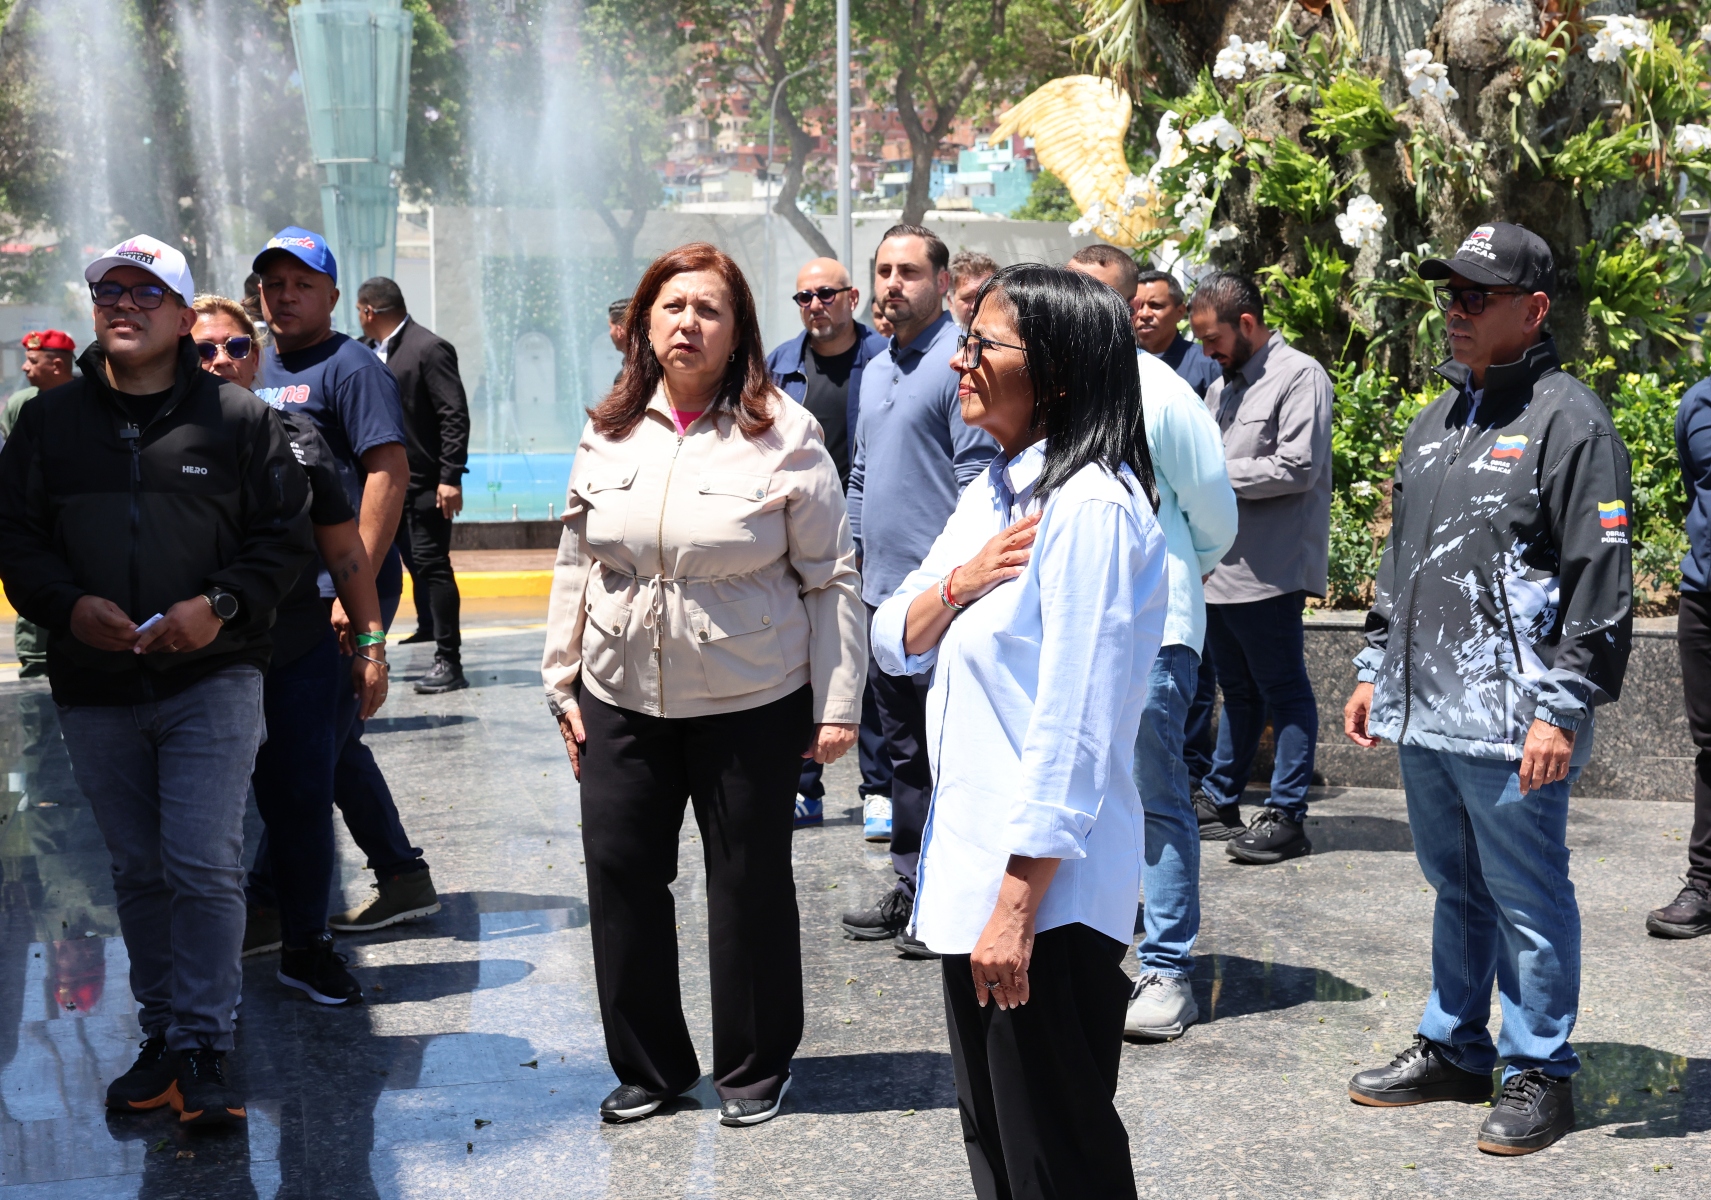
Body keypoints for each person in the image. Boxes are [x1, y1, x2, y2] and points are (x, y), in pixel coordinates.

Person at [542, 242, 865, 1128]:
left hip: (749, 697)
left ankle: (755, 1065)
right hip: (619, 694)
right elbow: (576, 558)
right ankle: (649, 1065)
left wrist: (837, 704)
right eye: (672, 306)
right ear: (645, 323)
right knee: (619, 874)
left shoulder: (784, 432)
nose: (687, 323)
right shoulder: (608, 424)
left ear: (737, 331)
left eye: (708, 309)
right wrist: (561, 681)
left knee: (747, 883)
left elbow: (831, 576)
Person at [0, 235, 314, 1126]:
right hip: (95, 681)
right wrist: (68, 608)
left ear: (181, 316)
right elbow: (16, 538)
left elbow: (283, 538)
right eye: (110, 292)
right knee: (138, 868)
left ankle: (207, 1043)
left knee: (203, 862)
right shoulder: (48, 423)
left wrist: (218, 605)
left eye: (146, 293)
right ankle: (164, 1035)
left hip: (213, 672)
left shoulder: (238, 418)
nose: (124, 306)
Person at [871, 264, 1167, 1199]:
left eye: (982, 345)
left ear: (1058, 376)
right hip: (978, 884)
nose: (957, 362)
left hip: (1044, 900)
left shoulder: (1089, 509)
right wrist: (957, 585)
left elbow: (1074, 726)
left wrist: (1014, 907)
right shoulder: (995, 495)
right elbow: (892, 638)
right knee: (999, 1149)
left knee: (1056, 1160)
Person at [1342, 222, 1633, 1156]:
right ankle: (1454, 1045)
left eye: (1476, 297)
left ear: (1532, 310)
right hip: (1428, 710)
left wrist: (1561, 707)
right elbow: (1400, 560)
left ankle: (1538, 1067)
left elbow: (1599, 577)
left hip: (1516, 720)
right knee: (1454, 887)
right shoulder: (1435, 421)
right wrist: (1371, 667)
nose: (1454, 312)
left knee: (1525, 893)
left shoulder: (1569, 422)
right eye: (1449, 295)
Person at [193, 295, 388, 1004]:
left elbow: (345, 550)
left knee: (303, 801)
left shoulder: (298, 437)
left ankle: (306, 945)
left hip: (297, 651)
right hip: (199, 658)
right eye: (202, 349)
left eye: (235, 347)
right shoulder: (153, 444)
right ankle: (199, 961)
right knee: (199, 817)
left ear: (257, 359)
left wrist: (370, 643)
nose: (220, 360)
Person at [1066, 251, 1238, 1041]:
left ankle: (1166, 967)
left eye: (1097, 295)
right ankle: (1084, 951)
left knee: (1154, 796)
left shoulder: (1161, 394)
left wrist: (1167, 574)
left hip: (1151, 629)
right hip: (1067, 625)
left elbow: (1213, 519)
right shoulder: (1053, 388)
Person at [251, 227, 440, 932]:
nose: (286, 296)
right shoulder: (255, 360)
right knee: (330, 741)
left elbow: (388, 472)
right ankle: (402, 875)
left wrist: (350, 593)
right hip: (287, 590)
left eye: (303, 284)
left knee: (308, 749)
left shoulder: (351, 366)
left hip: (342, 586)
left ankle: (268, 902)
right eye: (274, 284)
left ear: (332, 295)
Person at [843, 224, 997, 958]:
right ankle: (913, 886)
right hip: (884, 600)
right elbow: (861, 476)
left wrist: (956, 584)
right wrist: (851, 564)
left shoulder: (961, 363)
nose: (892, 284)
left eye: (908, 271)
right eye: (883, 271)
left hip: (945, 601)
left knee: (954, 756)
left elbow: (977, 483)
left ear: (942, 283)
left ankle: (958, 900)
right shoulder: (876, 368)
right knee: (905, 755)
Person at [1189, 271, 1332, 863]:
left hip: (1269, 571)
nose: (1206, 351)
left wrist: (1208, 478)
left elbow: (1297, 466)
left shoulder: (1300, 375)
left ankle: (1287, 814)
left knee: (1284, 690)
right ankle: (1222, 799)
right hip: (1221, 568)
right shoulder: (1222, 387)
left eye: (1213, 338)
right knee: (1239, 691)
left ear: (1246, 323)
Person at [766, 257, 894, 836]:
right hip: (797, 535)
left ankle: (879, 790)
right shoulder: (779, 366)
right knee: (799, 661)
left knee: (866, 662)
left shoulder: (884, 361)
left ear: (852, 296)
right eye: (804, 297)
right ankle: (804, 788)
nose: (815, 305)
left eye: (826, 294)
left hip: (863, 534)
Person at [357, 276, 472, 694]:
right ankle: (418, 631)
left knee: (431, 564)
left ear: (369, 311)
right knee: (389, 563)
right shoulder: (364, 350)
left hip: (424, 482)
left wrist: (450, 476)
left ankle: (449, 661)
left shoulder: (428, 347)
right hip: (381, 484)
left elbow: (453, 413)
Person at [1655, 365, 1711, 937]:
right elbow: (1697, 493)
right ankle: (1705, 885)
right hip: (1704, 599)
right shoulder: (1697, 404)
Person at [2, 330, 76, 680]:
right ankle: (34, 658)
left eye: (32, 361)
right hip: (34, 518)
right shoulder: (21, 404)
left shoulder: (89, 400)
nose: (24, 367)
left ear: (57, 365)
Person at [1133, 268, 1222, 399]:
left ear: (1180, 312)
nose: (1144, 314)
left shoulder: (1208, 365)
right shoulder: (1118, 364)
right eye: (1137, 307)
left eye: (1156, 305)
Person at [948, 250, 998, 331]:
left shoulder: (1017, 335)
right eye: (967, 297)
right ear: (951, 302)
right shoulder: (949, 338)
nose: (977, 305)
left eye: (985, 295)